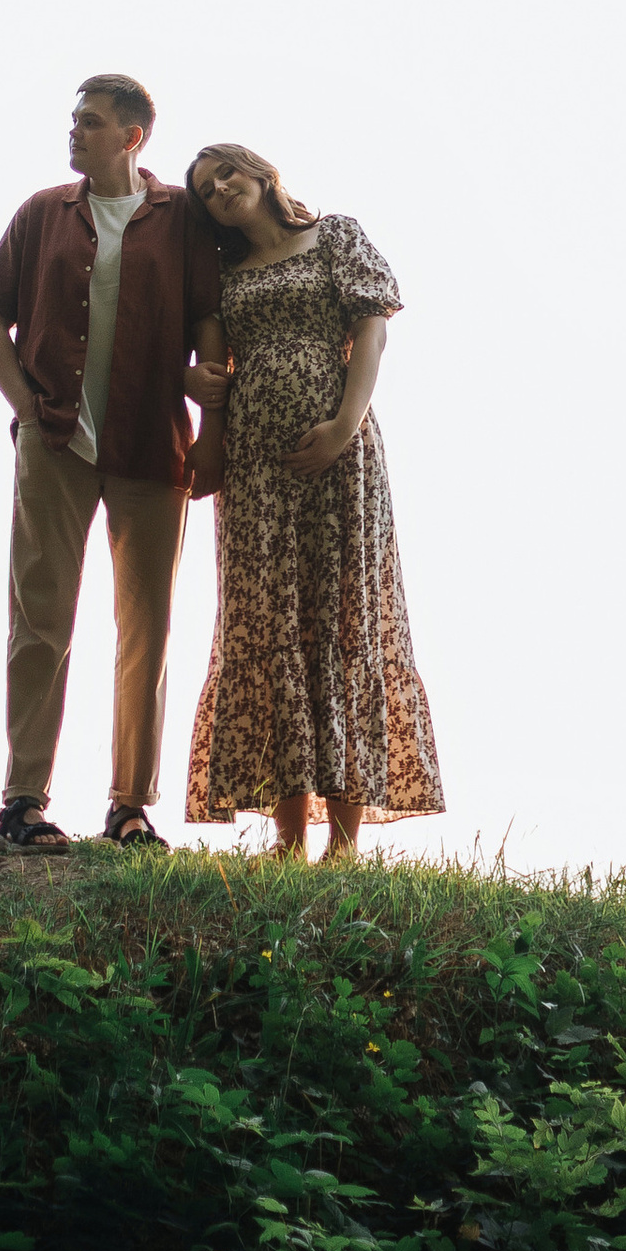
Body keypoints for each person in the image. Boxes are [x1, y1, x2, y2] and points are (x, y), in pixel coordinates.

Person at [0, 73, 225, 852]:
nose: (73, 133)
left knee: (145, 629)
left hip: (153, 449)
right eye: (72, 121)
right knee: (39, 621)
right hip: (55, 447)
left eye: (89, 122)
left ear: (132, 137)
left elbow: (211, 321)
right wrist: (27, 410)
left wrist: (210, 422)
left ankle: (129, 808)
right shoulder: (42, 214)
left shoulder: (182, 218)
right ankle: (23, 803)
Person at [181, 141, 443, 859]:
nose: (220, 188)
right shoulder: (222, 274)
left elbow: (372, 328)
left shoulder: (335, 235)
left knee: (341, 618)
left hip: (340, 454)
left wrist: (343, 427)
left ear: (263, 173)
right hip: (255, 468)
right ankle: (289, 837)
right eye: (205, 188)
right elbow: (210, 364)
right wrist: (200, 388)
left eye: (228, 172)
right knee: (265, 625)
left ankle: (346, 841)